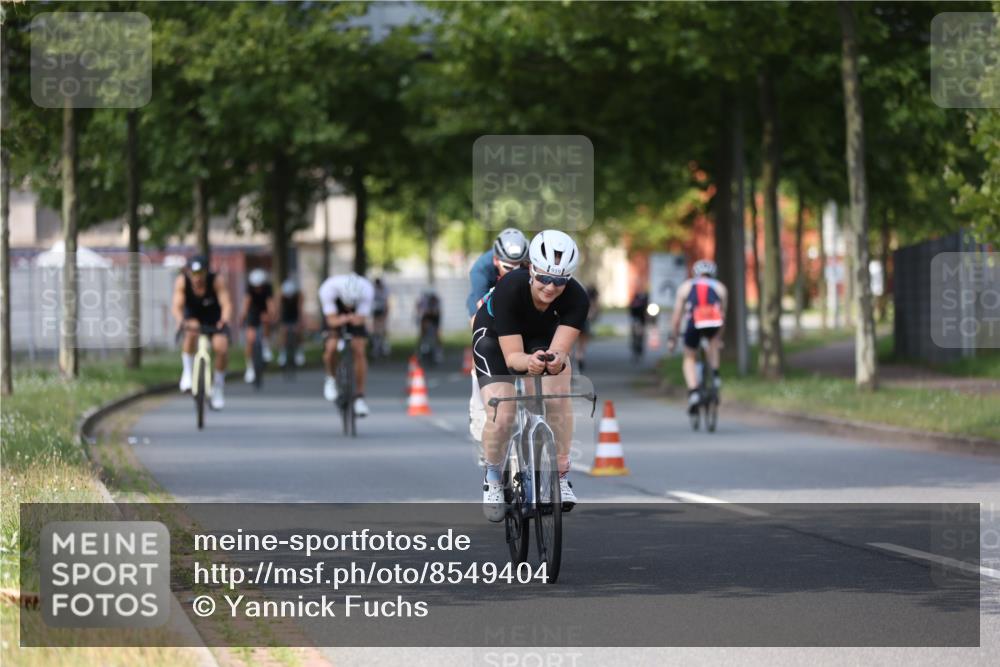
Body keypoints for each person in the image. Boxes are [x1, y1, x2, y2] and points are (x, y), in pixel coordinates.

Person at [472, 229, 589, 521]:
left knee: (557, 396)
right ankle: (493, 477)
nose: (550, 287)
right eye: (544, 278)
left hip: (540, 336)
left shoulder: (577, 298)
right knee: (503, 413)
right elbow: (513, 357)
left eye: (560, 281)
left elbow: (559, 350)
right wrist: (528, 362)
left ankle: (560, 475)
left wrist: (554, 361)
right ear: (531, 269)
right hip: (495, 338)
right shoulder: (510, 288)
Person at [466, 228, 530, 443]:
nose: (513, 272)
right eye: (508, 268)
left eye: (519, 267)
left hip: (517, 302)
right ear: (496, 260)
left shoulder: (531, 261)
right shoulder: (481, 270)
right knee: (481, 336)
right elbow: (480, 312)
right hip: (486, 303)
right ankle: (477, 401)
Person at [172, 255, 233, 410]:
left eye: (201, 273)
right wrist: (180, 320)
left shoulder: (217, 281)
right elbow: (177, 306)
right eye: (194, 273)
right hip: (193, 316)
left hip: (214, 318)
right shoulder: (182, 281)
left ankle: (218, 387)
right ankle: (187, 373)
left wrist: (224, 320)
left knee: (221, 347)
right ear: (189, 272)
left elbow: (226, 304)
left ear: (206, 272)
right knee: (191, 330)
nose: (197, 277)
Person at [667, 259, 728, 414]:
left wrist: (673, 337)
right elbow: (722, 315)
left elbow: (677, 317)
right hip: (713, 322)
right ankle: (715, 376)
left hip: (694, 323)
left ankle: (694, 392)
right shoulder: (720, 288)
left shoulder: (686, 287)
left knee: (689, 357)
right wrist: (719, 338)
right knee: (713, 344)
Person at [318, 272, 374, 417]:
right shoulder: (328, 289)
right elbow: (331, 321)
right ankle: (331, 378)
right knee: (331, 348)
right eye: (347, 303)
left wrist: (352, 318)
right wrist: (342, 319)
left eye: (352, 303)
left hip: (356, 315)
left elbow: (361, 319)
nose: (349, 306)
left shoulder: (367, 290)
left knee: (359, 350)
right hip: (335, 313)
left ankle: (359, 397)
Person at [241, 268, 275, 384]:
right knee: (250, 339)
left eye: (260, 286)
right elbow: (246, 303)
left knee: (266, 320)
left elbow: (270, 304)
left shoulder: (268, 288)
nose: (258, 288)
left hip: (264, 310)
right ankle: (250, 367)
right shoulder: (249, 289)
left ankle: (266, 345)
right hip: (253, 312)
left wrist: (271, 315)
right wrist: (243, 316)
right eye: (256, 286)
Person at [278, 276, 305, 368]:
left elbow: (300, 309)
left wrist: (300, 322)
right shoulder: (280, 296)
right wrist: (280, 322)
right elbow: (279, 309)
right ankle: (282, 354)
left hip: (295, 315)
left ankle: (299, 352)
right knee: (283, 332)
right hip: (285, 316)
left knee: (298, 331)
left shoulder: (299, 296)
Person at [575, 284, 600, 372]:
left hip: (574, 323)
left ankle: (574, 359)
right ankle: (579, 356)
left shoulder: (574, 298)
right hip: (584, 322)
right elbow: (592, 313)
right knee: (582, 344)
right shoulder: (590, 301)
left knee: (570, 345)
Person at [415, 288, 443, 364]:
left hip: (434, 318)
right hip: (425, 317)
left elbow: (437, 314)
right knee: (422, 334)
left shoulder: (437, 302)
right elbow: (419, 310)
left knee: (437, 335)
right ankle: (420, 352)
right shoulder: (423, 302)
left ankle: (438, 352)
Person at [371, 277, 390, 358]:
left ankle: (384, 349)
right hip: (376, 313)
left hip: (382, 312)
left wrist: (385, 314)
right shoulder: (374, 290)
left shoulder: (384, 290)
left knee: (382, 332)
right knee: (376, 332)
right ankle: (377, 349)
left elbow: (386, 303)